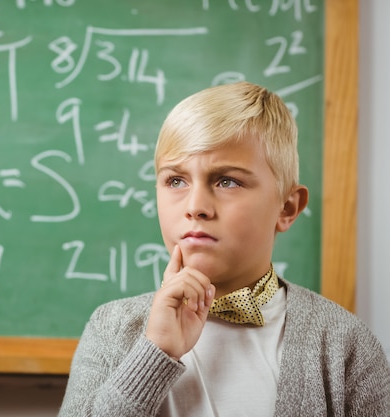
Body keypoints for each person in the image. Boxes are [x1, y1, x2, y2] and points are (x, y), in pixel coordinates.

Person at [58, 81, 390, 416]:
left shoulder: (343, 343)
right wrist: (154, 352)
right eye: (176, 181)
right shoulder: (112, 328)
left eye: (227, 181)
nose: (196, 206)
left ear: (286, 208)